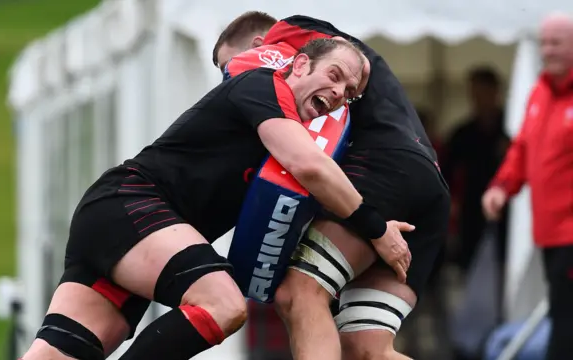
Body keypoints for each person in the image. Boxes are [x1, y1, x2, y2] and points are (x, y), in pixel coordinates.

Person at [20, 38, 413, 360]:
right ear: (298, 65)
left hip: (120, 225)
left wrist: (362, 228)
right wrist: (375, 227)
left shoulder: (286, 135)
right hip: (129, 208)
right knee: (223, 304)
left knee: (59, 354)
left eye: (350, 93)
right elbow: (310, 167)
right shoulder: (264, 85)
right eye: (335, 75)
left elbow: (312, 191)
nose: (340, 92)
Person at [213, 12, 450, 360]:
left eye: (227, 68)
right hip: (424, 184)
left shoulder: (289, 35)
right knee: (366, 349)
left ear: (259, 48)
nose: (228, 83)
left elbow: (353, 59)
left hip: (385, 167)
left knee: (299, 292)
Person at [482, 12, 573, 360]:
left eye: (557, 43)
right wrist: (502, 187)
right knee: (561, 313)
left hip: (570, 233)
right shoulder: (540, 92)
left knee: (565, 321)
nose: (548, 50)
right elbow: (523, 146)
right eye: (545, 42)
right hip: (550, 232)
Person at [443, 66, 510, 275]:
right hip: (472, 209)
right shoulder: (463, 134)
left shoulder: (511, 129)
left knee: (507, 261)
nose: (479, 99)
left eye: (484, 92)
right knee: (470, 263)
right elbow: (445, 173)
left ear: (495, 92)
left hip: (508, 207)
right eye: (475, 94)